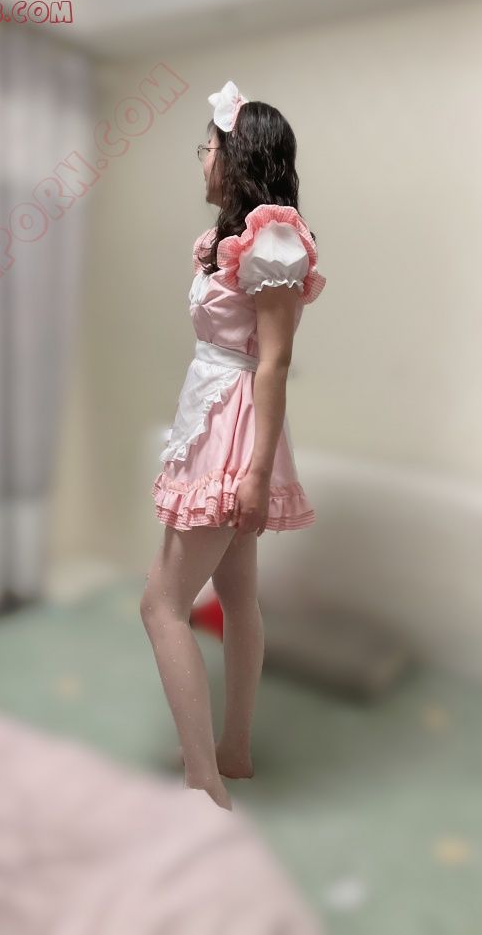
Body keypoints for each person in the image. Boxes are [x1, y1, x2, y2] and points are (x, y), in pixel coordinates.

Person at [140, 79, 327, 811]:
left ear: (237, 155)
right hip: (213, 410)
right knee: (238, 593)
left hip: (233, 425)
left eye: (209, 147)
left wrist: (255, 472)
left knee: (161, 606)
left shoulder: (273, 239)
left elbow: (273, 362)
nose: (203, 159)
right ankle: (234, 751)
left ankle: (203, 782)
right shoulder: (233, 239)